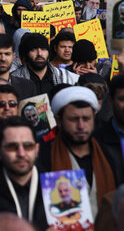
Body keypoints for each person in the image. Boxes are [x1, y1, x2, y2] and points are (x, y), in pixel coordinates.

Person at [38, 86, 117, 217]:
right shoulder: (44, 156)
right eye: (74, 119)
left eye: (86, 119)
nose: (81, 126)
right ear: (59, 120)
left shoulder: (109, 155)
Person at [0, 116, 48, 231]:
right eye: (12, 147)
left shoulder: (57, 186)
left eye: (28, 146)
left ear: (37, 149)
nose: (21, 153)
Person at [11, 33, 78, 96]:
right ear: (26, 54)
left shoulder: (67, 77)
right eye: (33, 49)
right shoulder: (13, 80)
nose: (39, 53)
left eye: (43, 49)